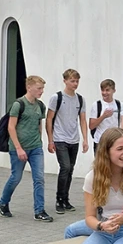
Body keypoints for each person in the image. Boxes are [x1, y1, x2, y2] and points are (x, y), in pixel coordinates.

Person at [0, 75, 54, 222]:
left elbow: (39, 124)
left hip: (35, 148)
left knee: (39, 178)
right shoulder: (18, 104)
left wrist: (41, 141)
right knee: (15, 177)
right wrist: (18, 148)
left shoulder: (40, 106)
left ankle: (39, 211)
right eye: (39, 88)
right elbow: (11, 127)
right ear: (29, 87)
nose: (41, 91)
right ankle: (3, 202)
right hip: (18, 148)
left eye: (42, 89)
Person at [47, 68, 88, 214]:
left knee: (70, 169)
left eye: (77, 81)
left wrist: (85, 139)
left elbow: (83, 120)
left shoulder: (80, 99)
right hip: (60, 138)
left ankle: (65, 199)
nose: (75, 83)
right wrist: (50, 140)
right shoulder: (56, 97)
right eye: (72, 81)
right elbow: (49, 119)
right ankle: (59, 199)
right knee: (64, 167)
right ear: (65, 81)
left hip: (74, 139)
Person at [89, 78, 123, 153]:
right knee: (100, 164)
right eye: (103, 90)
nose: (105, 93)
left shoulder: (120, 105)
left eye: (107, 90)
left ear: (114, 91)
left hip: (114, 141)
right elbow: (91, 126)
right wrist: (103, 116)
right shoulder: (96, 105)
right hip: (99, 141)